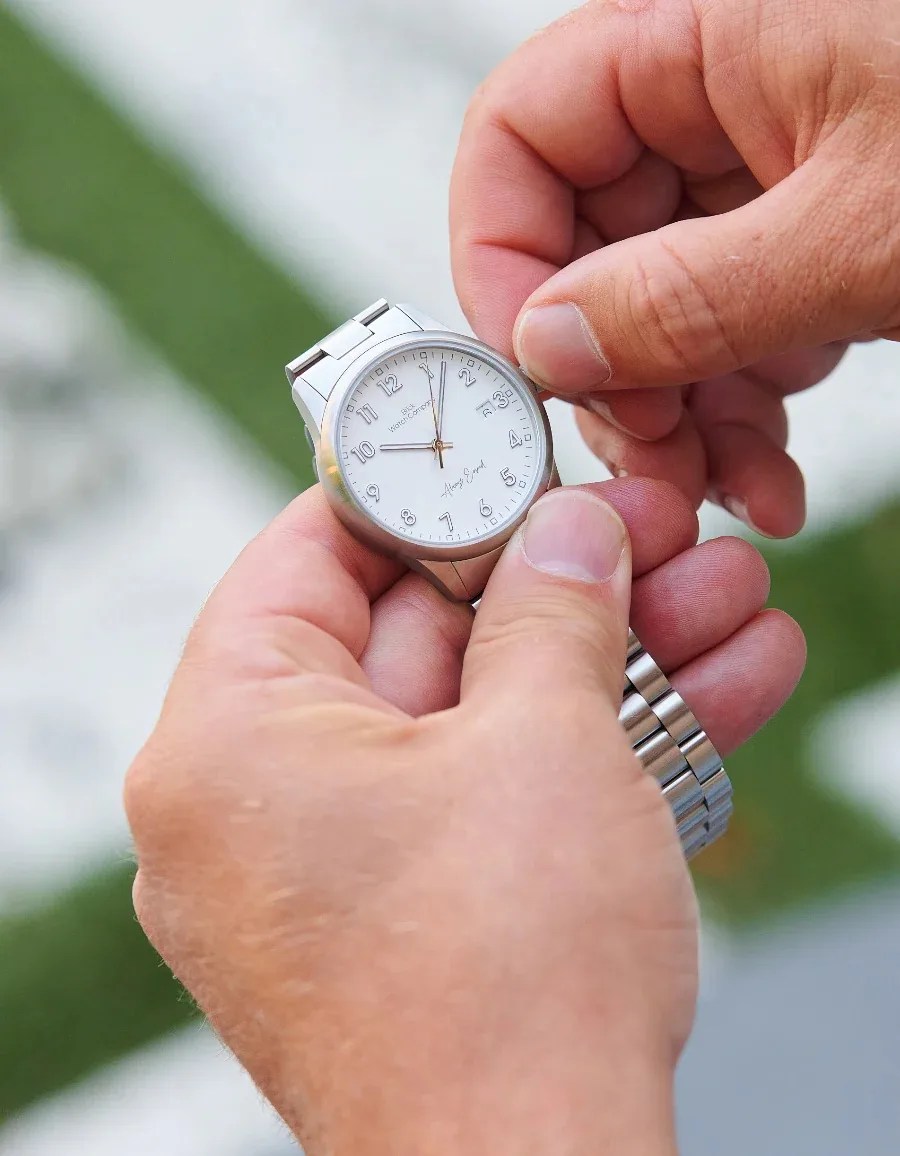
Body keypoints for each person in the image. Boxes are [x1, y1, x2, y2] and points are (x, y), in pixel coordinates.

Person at [125, 1, 899, 1152]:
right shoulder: (429, 500)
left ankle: (658, 805)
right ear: (359, 496)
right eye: (403, 457)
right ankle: (654, 808)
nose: (436, 445)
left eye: (448, 420)